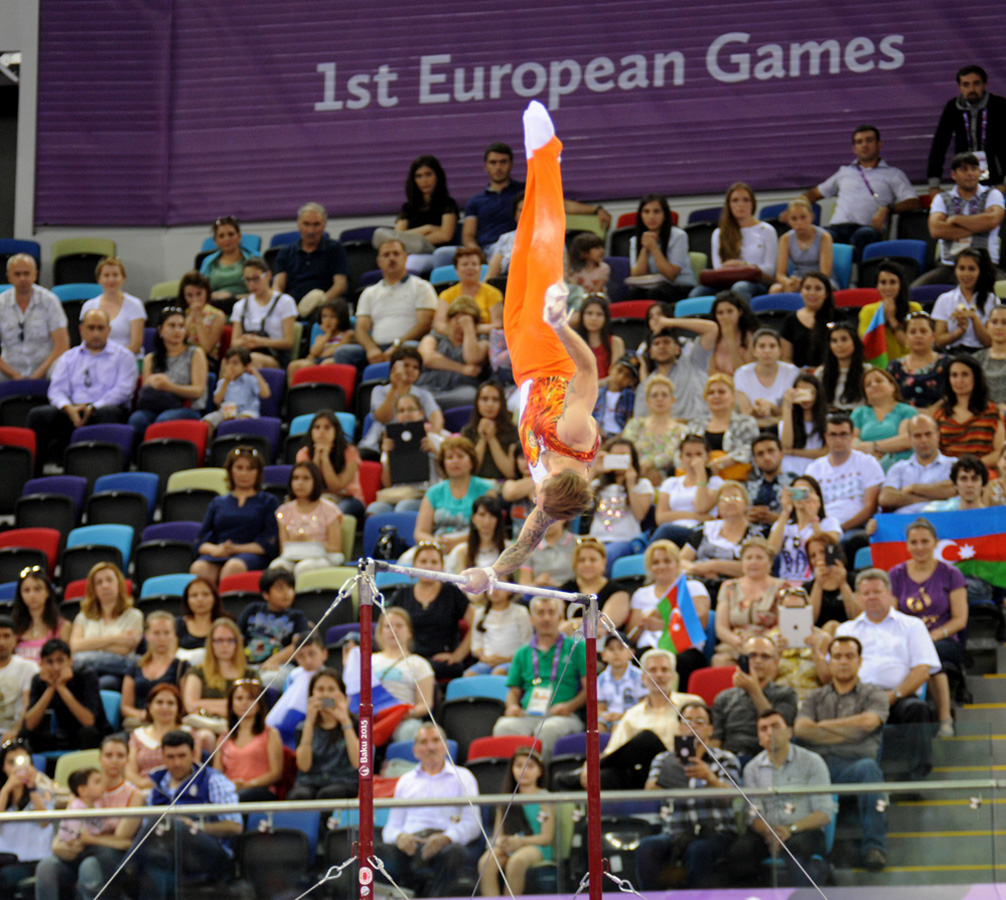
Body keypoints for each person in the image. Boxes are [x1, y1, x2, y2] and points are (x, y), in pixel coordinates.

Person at [459, 103, 601, 595]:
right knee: (545, 244)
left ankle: (538, 163)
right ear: (556, 479)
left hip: (522, 365)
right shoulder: (575, 436)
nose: (534, 501)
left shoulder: (558, 494)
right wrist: (561, 325)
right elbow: (589, 369)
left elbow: (525, 544)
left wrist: (491, 574)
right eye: (540, 499)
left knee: (521, 248)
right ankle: (547, 155)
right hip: (548, 351)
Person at [832, 569, 940, 781]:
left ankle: (918, 777)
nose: (871, 597)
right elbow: (834, 671)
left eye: (877, 592)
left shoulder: (912, 625)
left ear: (890, 593)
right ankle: (847, 777)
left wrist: (894, 695)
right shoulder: (846, 630)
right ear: (857, 597)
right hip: (858, 698)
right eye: (866, 593)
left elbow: (922, 670)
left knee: (918, 709)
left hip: (897, 697)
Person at [795, 636, 890, 869]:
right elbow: (802, 729)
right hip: (818, 766)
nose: (843, 661)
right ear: (830, 661)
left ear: (860, 661)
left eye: (849, 656)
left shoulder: (875, 695)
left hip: (854, 766)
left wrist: (823, 726)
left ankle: (874, 848)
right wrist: (851, 730)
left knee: (869, 769)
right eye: (837, 656)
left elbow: (868, 723)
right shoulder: (815, 696)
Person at [636, 700, 741, 890]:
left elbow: (730, 797)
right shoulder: (664, 759)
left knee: (698, 850)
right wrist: (668, 775)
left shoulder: (726, 759)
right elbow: (650, 794)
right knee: (648, 847)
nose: (692, 726)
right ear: (679, 727)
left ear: (711, 729)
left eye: (700, 722)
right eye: (687, 721)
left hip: (715, 831)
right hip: (676, 832)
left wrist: (709, 778)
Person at [127, 730, 242, 900]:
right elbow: (148, 832)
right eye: (170, 757)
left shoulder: (213, 780)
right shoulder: (157, 785)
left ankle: (123, 872)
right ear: (163, 757)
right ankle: (126, 876)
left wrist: (195, 826)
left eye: (182, 756)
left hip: (210, 853)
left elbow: (235, 827)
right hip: (168, 853)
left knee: (166, 823)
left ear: (193, 754)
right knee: (154, 864)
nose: (177, 763)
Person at [728, 709, 835, 887]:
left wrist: (790, 829)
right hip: (767, 833)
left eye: (775, 726)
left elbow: (824, 813)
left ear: (789, 732)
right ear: (759, 738)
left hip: (803, 830)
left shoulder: (812, 762)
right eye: (763, 729)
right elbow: (753, 815)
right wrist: (770, 832)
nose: (769, 732)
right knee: (740, 852)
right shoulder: (752, 768)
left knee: (795, 850)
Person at [24, 308, 137, 472]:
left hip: (106, 408)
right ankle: (33, 475)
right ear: (81, 329)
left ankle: (105, 471)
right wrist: (67, 407)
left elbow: (123, 390)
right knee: (38, 415)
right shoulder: (68, 357)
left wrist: (94, 406)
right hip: (73, 410)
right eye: (91, 328)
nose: (96, 333)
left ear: (109, 330)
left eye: (101, 328)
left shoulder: (124, 356)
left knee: (108, 413)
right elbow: (56, 390)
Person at [34, 734, 144, 900]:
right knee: (47, 867)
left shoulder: (135, 795)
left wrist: (86, 838)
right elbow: (69, 827)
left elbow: (121, 839)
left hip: (111, 855)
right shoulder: (81, 791)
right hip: (78, 851)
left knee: (89, 866)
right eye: (109, 755)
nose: (114, 761)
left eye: (120, 756)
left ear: (127, 760)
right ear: (100, 759)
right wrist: (58, 846)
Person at [378, 723, 481, 899]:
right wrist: (399, 837)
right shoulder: (405, 781)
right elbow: (391, 827)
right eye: (423, 742)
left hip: (447, 843)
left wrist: (446, 838)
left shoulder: (463, 777)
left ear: (445, 746)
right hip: (411, 844)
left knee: (453, 853)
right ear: (415, 751)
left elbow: (473, 824)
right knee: (377, 853)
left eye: (435, 740)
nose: (430, 747)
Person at [889, 519, 968, 737]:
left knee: (930, 654)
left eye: (925, 541)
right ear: (907, 545)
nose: (920, 547)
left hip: (943, 639)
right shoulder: (896, 574)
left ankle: (945, 718)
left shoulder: (951, 574)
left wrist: (932, 636)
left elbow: (960, 619)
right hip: (906, 639)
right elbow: (891, 615)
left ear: (935, 543)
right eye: (914, 542)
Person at [461, 139, 610, 255]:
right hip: (489, 250)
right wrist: (476, 253)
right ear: (485, 166)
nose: (498, 167)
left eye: (503, 162)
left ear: (511, 164)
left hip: (523, 244)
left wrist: (596, 209)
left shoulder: (526, 191)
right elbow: (468, 235)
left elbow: (559, 204)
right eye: (493, 163)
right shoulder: (476, 201)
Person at [798, 124, 920, 259]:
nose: (864, 145)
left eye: (869, 140)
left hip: (866, 228)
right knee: (821, 237)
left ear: (879, 144)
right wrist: (795, 207)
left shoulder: (893, 174)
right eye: (859, 142)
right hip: (837, 228)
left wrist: (888, 209)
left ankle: (863, 273)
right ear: (854, 148)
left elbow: (913, 202)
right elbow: (813, 194)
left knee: (863, 236)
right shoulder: (844, 172)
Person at [493, 594, 587, 760]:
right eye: (541, 613)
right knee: (503, 727)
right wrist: (512, 706)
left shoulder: (576, 647)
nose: (546, 618)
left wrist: (569, 706)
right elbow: (513, 691)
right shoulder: (522, 653)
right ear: (531, 619)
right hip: (529, 714)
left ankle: (541, 773)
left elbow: (590, 688)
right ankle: (513, 775)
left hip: (563, 715)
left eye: (551, 613)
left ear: (560, 618)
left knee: (548, 730)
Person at [336, 239, 437, 369]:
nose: (391, 258)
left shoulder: (422, 287)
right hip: (377, 348)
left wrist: (397, 345)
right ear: (379, 262)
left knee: (410, 348)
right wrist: (371, 348)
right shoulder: (369, 293)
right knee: (343, 352)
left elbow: (425, 324)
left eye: (396, 254)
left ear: (405, 258)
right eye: (386, 255)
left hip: (407, 345)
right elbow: (360, 328)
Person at [191, 445, 280, 586]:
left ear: (258, 472)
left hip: (251, 554)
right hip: (219, 553)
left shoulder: (268, 501)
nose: (244, 473)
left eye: (250, 468)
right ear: (230, 471)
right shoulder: (218, 502)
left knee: (233, 566)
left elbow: (269, 543)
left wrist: (235, 549)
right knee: (199, 568)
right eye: (239, 468)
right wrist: (215, 550)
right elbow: (201, 540)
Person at [389, 542, 473, 680]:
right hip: (408, 658)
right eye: (423, 561)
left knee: (419, 671)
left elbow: (476, 624)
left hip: (442, 663)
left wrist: (458, 655)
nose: (428, 566)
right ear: (413, 566)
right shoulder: (402, 594)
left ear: (442, 567)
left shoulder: (453, 593)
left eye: (434, 562)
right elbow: (385, 627)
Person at [478, 747, 555, 897]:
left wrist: (519, 842)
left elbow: (546, 837)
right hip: (510, 845)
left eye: (530, 766)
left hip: (537, 847)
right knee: (486, 861)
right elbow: (498, 835)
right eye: (519, 765)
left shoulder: (545, 798)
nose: (524, 770)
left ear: (540, 771)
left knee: (516, 861)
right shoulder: (506, 799)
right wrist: (503, 843)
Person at [804, 414, 884, 556]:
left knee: (844, 543)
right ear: (826, 437)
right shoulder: (814, 468)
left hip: (855, 528)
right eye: (833, 435)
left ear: (852, 436)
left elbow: (870, 508)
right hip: (820, 527)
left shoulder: (867, 463)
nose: (838, 440)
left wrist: (840, 529)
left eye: (843, 434)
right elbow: (807, 506)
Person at [128, 305, 209, 438]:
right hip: (156, 406)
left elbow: (198, 391)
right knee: (137, 419)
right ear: (160, 329)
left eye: (181, 326)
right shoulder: (151, 358)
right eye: (172, 326)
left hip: (187, 408)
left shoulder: (195, 353)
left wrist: (169, 387)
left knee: (164, 420)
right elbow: (145, 390)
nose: (177, 330)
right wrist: (153, 382)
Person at [924, 153, 1005, 286]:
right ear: (953, 174)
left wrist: (955, 219)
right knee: (912, 292)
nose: (970, 173)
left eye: (974, 169)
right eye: (964, 169)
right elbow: (936, 230)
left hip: (986, 266)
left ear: (979, 172)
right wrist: (979, 226)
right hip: (949, 266)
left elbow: (992, 221)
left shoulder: (992, 194)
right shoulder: (942, 198)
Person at [711, 636, 797, 760]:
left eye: (765, 656)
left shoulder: (786, 694)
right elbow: (715, 740)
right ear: (741, 660)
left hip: (770, 759)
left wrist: (754, 691)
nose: (758, 661)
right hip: (731, 760)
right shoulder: (724, 698)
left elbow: (779, 733)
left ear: (775, 662)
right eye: (752, 655)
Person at [689, 182, 778, 301]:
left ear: (753, 204)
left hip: (756, 282)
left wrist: (743, 266)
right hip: (726, 281)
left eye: (746, 200)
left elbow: (769, 269)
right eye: (735, 201)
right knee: (697, 293)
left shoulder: (767, 230)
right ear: (729, 205)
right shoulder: (719, 233)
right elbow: (718, 267)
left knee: (740, 288)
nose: (740, 205)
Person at [373, 154, 459, 273]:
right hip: (411, 251)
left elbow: (445, 236)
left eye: (428, 174)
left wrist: (412, 239)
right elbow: (397, 236)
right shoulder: (408, 207)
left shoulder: (448, 203)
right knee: (380, 234)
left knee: (411, 261)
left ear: (438, 176)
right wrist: (427, 228)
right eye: (419, 176)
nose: (424, 180)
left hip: (435, 253)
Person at [927, 65, 1006, 195]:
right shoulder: (953, 108)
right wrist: (934, 184)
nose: (972, 89)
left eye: (976, 83)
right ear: (959, 87)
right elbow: (939, 145)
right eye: (966, 85)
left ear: (985, 85)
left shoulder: (999, 105)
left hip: (998, 181)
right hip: (965, 181)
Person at [22, 639, 110, 751]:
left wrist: (61, 687)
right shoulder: (39, 680)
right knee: (26, 736)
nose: (56, 667)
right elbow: (29, 724)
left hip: (95, 734)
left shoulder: (86, 675)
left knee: (88, 732)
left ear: (70, 661)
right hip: (64, 735)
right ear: (41, 664)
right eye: (49, 662)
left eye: (60, 660)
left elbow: (88, 721)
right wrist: (51, 688)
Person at [69, 563, 143, 692]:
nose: (105, 586)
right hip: (86, 671)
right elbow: (75, 646)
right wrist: (116, 639)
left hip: (116, 672)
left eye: (109, 580)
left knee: (102, 682)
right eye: (99, 582)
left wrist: (90, 647)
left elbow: (126, 649)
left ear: (119, 584)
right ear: (93, 589)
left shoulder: (134, 615)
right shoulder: (83, 616)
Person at [710, 538, 785, 666]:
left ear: (770, 562)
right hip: (736, 644)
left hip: (769, 644)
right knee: (720, 661)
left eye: (759, 558)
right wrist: (737, 641)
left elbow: (783, 625)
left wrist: (760, 643)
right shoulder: (729, 587)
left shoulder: (782, 588)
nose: (753, 562)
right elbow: (721, 627)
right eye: (748, 558)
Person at [288, 667, 359, 799]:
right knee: (299, 795)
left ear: (342, 694)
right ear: (311, 694)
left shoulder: (356, 723)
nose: (325, 694)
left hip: (344, 781)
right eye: (320, 689)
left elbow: (358, 763)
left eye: (331, 689)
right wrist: (309, 722)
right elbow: (304, 766)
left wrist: (344, 720)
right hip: (310, 782)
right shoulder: (302, 727)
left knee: (328, 794)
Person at [413, 436, 494, 552]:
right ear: (443, 464)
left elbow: (490, 528)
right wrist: (436, 544)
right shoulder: (434, 492)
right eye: (449, 457)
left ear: (471, 462)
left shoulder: (485, 490)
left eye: (460, 456)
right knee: (407, 558)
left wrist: (457, 542)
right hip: (437, 546)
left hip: (472, 545)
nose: (455, 461)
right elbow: (420, 532)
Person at [236, 568, 310, 691]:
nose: (287, 593)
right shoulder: (252, 609)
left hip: (280, 665)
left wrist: (273, 661)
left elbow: (299, 644)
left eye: (290, 588)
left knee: (266, 681)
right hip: (247, 663)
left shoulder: (297, 616)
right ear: (266, 594)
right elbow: (236, 638)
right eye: (280, 588)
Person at [586, 437, 653, 569]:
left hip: (625, 540)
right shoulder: (597, 484)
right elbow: (576, 501)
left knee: (607, 555)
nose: (619, 459)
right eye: (615, 455)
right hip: (596, 540)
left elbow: (639, 515)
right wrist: (594, 470)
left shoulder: (642, 484)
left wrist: (630, 484)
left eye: (623, 455)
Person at [272, 202, 348, 317]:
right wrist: (283, 306)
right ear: (298, 224)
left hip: (324, 309)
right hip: (291, 309)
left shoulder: (335, 249)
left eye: (316, 225)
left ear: (324, 225)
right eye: (306, 224)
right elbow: (278, 285)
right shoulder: (286, 252)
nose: (311, 231)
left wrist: (319, 304)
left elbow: (340, 285)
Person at [0, 253, 68, 381]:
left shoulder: (50, 301)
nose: (22, 278)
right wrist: (14, 375)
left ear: (35, 275)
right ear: (9, 277)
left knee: (61, 369)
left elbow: (62, 345)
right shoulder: (1, 304)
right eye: (17, 274)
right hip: (9, 369)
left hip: (45, 367)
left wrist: (36, 375)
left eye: (26, 273)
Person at [371, 607, 435, 742]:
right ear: (380, 632)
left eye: (399, 626)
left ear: (409, 632)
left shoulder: (419, 663)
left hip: (404, 719)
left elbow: (425, 704)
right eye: (388, 626)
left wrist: (406, 713)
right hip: (373, 717)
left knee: (410, 730)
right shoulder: (369, 661)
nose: (393, 630)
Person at [632, 320, 718, 420]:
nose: (661, 346)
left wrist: (667, 322)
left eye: (666, 342)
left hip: (700, 426)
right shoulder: (646, 385)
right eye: (656, 343)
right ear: (650, 353)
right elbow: (640, 420)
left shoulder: (694, 362)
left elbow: (711, 329)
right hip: (665, 429)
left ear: (677, 349)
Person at [214, 678, 283, 801]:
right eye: (239, 698)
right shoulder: (224, 737)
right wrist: (230, 786)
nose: (245, 703)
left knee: (239, 798)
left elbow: (276, 773)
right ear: (231, 704)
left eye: (251, 698)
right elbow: (216, 774)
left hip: (260, 791)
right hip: (230, 792)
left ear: (259, 704)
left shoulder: (270, 734)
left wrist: (249, 784)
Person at [651, 434, 723, 547]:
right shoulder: (671, 483)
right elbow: (660, 517)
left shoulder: (715, 482)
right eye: (688, 455)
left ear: (707, 456)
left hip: (698, 533)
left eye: (699, 454)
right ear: (681, 458)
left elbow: (701, 507)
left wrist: (701, 473)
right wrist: (696, 517)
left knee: (666, 530)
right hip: (671, 530)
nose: (694, 459)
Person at [273, 461, 345, 575]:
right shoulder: (284, 511)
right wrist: (297, 541)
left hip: (324, 556)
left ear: (315, 482)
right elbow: (283, 548)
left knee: (304, 568)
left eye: (306, 478)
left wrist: (311, 542)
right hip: (294, 555)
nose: (300, 483)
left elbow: (336, 547)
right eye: (295, 478)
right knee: (276, 567)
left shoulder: (330, 509)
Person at [933, 354, 1005, 466]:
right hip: (947, 471)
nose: (959, 380)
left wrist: (971, 468)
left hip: (983, 471)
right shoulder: (940, 414)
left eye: (965, 374)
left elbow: (999, 452)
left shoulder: (992, 412)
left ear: (975, 378)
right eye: (954, 375)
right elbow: (934, 452)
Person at [416, 296, 488, 409]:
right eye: (458, 320)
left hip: (461, 388)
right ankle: (427, 403)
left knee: (470, 396)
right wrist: (462, 369)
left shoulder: (482, 341)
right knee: (415, 395)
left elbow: (472, 358)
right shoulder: (434, 338)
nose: (461, 326)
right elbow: (427, 359)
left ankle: (427, 404)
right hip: (429, 385)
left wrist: (468, 329)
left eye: (468, 322)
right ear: (448, 321)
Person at [768, 476, 842, 585]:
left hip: (816, 582)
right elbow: (770, 552)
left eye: (805, 492)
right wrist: (785, 513)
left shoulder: (829, 523)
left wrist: (813, 517)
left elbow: (828, 552)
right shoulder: (782, 524)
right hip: (785, 583)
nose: (800, 497)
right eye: (795, 492)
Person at [181, 618, 259, 720]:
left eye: (230, 640)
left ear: (238, 643)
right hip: (206, 724)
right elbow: (190, 705)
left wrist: (205, 705)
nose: (225, 645)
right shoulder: (198, 671)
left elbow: (256, 707)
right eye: (219, 640)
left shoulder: (250, 674)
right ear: (211, 643)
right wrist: (235, 706)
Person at [295, 409, 365, 519]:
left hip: (348, 499)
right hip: (319, 498)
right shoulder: (304, 454)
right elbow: (310, 486)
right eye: (317, 427)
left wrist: (325, 458)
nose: (321, 431)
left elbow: (336, 487)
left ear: (336, 431)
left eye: (327, 427)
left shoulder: (350, 451)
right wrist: (317, 457)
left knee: (334, 512)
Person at [879, 413, 955, 515]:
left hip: (943, 518)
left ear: (938, 435)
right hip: (904, 520)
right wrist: (934, 496)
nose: (924, 440)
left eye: (928, 434)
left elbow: (954, 490)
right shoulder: (898, 468)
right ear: (910, 439)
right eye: (917, 436)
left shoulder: (953, 465)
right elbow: (886, 498)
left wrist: (912, 488)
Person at [687, 374, 760, 480]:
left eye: (721, 392)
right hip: (699, 479)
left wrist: (720, 463)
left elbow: (750, 450)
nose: (716, 396)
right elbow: (683, 452)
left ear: (733, 397)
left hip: (737, 480)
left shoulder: (746, 423)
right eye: (711, 393)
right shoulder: (695, 425)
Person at [119, 612, 185, 727]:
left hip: (169, 723)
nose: (161, 638)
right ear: (147, 635)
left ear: (174, 635)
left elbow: (184, 705)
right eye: (156, 633)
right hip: (139, 721)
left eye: (166, 633)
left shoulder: (181, 667)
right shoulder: (135, 666)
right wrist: (143, 715)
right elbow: (126, 706)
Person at [627, 193, 695, 302]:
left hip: (680, 286)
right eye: (646, 212)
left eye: (656, 211)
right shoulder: (635, 240)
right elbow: (636, 275)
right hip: (652, 285)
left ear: (665, 215)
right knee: (633, 294)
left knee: (656, 293)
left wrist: (654, 248)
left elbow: (671, 275)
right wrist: (644, 248)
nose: (651, 216)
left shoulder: (679, 236)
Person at [230, 256, 296, 369]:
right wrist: (245, 341)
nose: (252, 284)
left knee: (252, 359)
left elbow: (288, 342)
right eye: (247, 280)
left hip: (275, 356)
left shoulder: (285, 302)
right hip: (247, 353)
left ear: (268, 275)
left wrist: (260, 342)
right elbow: (234, 342)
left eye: (256, 279)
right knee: (228, 361)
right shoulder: (240, 306)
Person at [621, 375, 688, 485]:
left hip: (668, 482)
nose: (659, 399)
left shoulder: (681, 430)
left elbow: (671, 455)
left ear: (672, 400)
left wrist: (650, 463)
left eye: (664, 395)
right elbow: (625, 450)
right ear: (647, 400)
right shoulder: (635, 424)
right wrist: (641, 470)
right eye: (654, 395)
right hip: (632, 478)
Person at [932, 248, 997, 352]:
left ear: (980, 272)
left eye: (971, 269)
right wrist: (959, 331)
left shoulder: (991, 300)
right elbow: (939, 341)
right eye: (962, 268)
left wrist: (974, 318)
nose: (966, 274)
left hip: (981, 353)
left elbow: (989, 342)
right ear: (955, 271)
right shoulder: (944, 299)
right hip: (953, 353)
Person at [125, 683, 188, 789]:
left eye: (170, 703)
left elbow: (192, 770)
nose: (165, 707)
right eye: (159, 702)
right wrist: (143, 785)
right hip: (142, 791)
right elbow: (130, 772)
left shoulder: (188, 734)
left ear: (178, 708)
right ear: (149, 706)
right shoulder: (137, 735)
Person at [857, 260, 921, 363]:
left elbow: (912, 347)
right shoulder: (868, 311)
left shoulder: (914, 309)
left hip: (909, 365)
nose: (888, 287)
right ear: (877, 286)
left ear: (900, 285)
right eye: (883, 282)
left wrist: (892, 319)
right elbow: (866, 348)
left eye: (893, 282)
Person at [851, 368, 915, 471]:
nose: (874, 385)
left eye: (879, 381)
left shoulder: (907, 411)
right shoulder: (859, 413)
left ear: (893, 386)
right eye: (868, 385)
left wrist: (873, 446)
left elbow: (906, 440)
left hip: (900, 466)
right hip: (866, 467)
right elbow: (851, 441)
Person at [733, 329, 799, 427]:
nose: (767, 351)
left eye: (772, 346)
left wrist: (772, 408)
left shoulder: (792, 372)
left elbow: (793, 413)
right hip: (751, 428)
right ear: (754, 351)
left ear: (780, 351)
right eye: (762, 346)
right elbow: (745, 415)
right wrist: (757, 411)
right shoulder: (741, 374)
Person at [81, 257, 146, 356]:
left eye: (115, 275)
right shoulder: (89, 307)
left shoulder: (135, 305)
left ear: (123, 278)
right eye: (106, 275)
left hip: (127, 358)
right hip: (96, 358)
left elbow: (135, 345)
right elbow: (86, 342)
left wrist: (113, 360)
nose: (111, 279)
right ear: (99, 279)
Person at [888, 311, 950, 411]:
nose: (918, 336)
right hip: (904, 416)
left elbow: (953, 394)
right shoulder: (895, 366)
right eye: (913, 332)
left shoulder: (947, 363)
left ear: (933, 336)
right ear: (906, 337)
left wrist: (931, 412)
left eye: (923, 331)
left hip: (940, 414)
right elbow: (889, 398)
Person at [769, 198, 835, 293]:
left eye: (803, 217)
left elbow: (825, 273)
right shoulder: (785, 239)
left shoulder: (824, 237)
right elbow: (780, 274)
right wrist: (788, 282)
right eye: (794, 219)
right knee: (774, 289)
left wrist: (804, 283)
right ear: (789, 221)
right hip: (797, 280)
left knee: (819, 289)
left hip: (820, 280)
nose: (799, 223)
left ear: (811, 217)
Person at [433, 247, 503, 335]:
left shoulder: (493, 293)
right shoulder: (446, 295)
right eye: (465, 264)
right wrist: (457, 332)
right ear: (456, 269)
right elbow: (439, 325)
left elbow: (498, 325)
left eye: (474, 264)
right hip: (451, 336)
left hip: (483, 336)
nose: (470, 268)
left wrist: (469, 329)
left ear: (480, 268)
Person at [202, 346, 270, 433]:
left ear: (245, 366)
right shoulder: (223, 382)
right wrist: (226, 381)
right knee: (207, 422)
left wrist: (255, 373)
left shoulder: (250, 379)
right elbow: (217, 401)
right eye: (228, 363)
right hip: (226, 413)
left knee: (243, 420)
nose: (230, 366)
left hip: (247, 411)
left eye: (235, 363)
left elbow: (266, 394)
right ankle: (208, 442)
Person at [286, 298, 355, 384]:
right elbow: (314, 352)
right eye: (324, 316)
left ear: (342, 318)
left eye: (333, 316)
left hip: (335, 360)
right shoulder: (321, 337)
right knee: (293, 366)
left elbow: (337, 350)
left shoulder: (347, 334)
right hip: (317, 360)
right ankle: (294, 391)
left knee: (325, 363)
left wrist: (319, 355)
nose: (328, 320)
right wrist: (328, 335)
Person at [460, 380, 519, 480]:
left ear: (502, 403)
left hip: (504, 484)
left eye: (495, 399)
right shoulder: (467, 431)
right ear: (477, 402)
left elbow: (510, 473)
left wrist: (491, 438)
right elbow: (469, 470)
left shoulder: (512, 431)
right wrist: (482, 438)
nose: (490, 404)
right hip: (475, 484)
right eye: (484, 399)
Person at [467, 588, 532, 677]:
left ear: (509, 590)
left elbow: (527, 643)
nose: (495, 591)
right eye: (491, 588)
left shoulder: (520, 612)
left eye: (499, 588)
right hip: (487, 661)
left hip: (513, 661)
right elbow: (476, 643)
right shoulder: (480, 613)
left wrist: (507, 659)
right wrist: (484, 658)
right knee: (469, 675)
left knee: (498, 672)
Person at [11, 568, 70, 664]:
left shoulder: (63, 626)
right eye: (26, 590)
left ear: (48, 592)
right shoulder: (13, 628)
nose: (32, 595)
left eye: (37, 589)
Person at [780, 271, 836, 369]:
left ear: (826, 293)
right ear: (801, 291)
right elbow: (785, 358)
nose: (812, 293)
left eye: (818, 289)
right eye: (807, 288)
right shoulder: (790, 320)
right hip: (799, 375)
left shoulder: (838, 317)